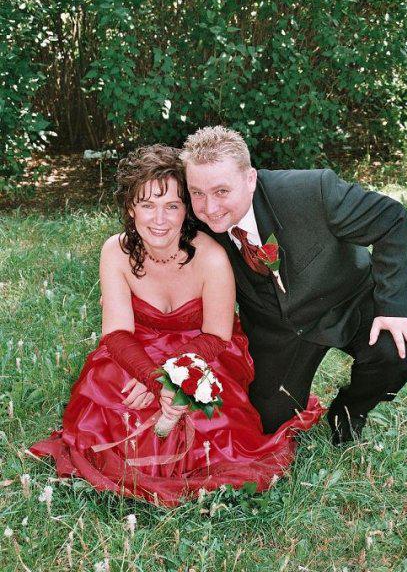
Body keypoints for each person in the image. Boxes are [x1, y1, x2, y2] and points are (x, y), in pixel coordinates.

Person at [30, 145, 323, 506]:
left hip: (202, 352)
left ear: (187, 210)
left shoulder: (212, 257)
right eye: (147, 204)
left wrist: (174, 377)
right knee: (119, 406)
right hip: (135, 351)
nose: (160, 219)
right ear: (130, 207)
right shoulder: (115, 252)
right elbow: (117, 333)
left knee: (208, 420)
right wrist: (154, 380)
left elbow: (217, 335)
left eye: (172, 206)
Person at [181, 126, 407, 444]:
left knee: (396, 351)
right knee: (267, 424)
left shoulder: (311, 190)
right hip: (275, 329)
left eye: (222, 191)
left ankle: (350, 410)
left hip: (345, 301)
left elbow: (390, 218)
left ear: (250, 179)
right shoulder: (193, 219)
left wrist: (393, 308)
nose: (209, 208)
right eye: (198, 193)